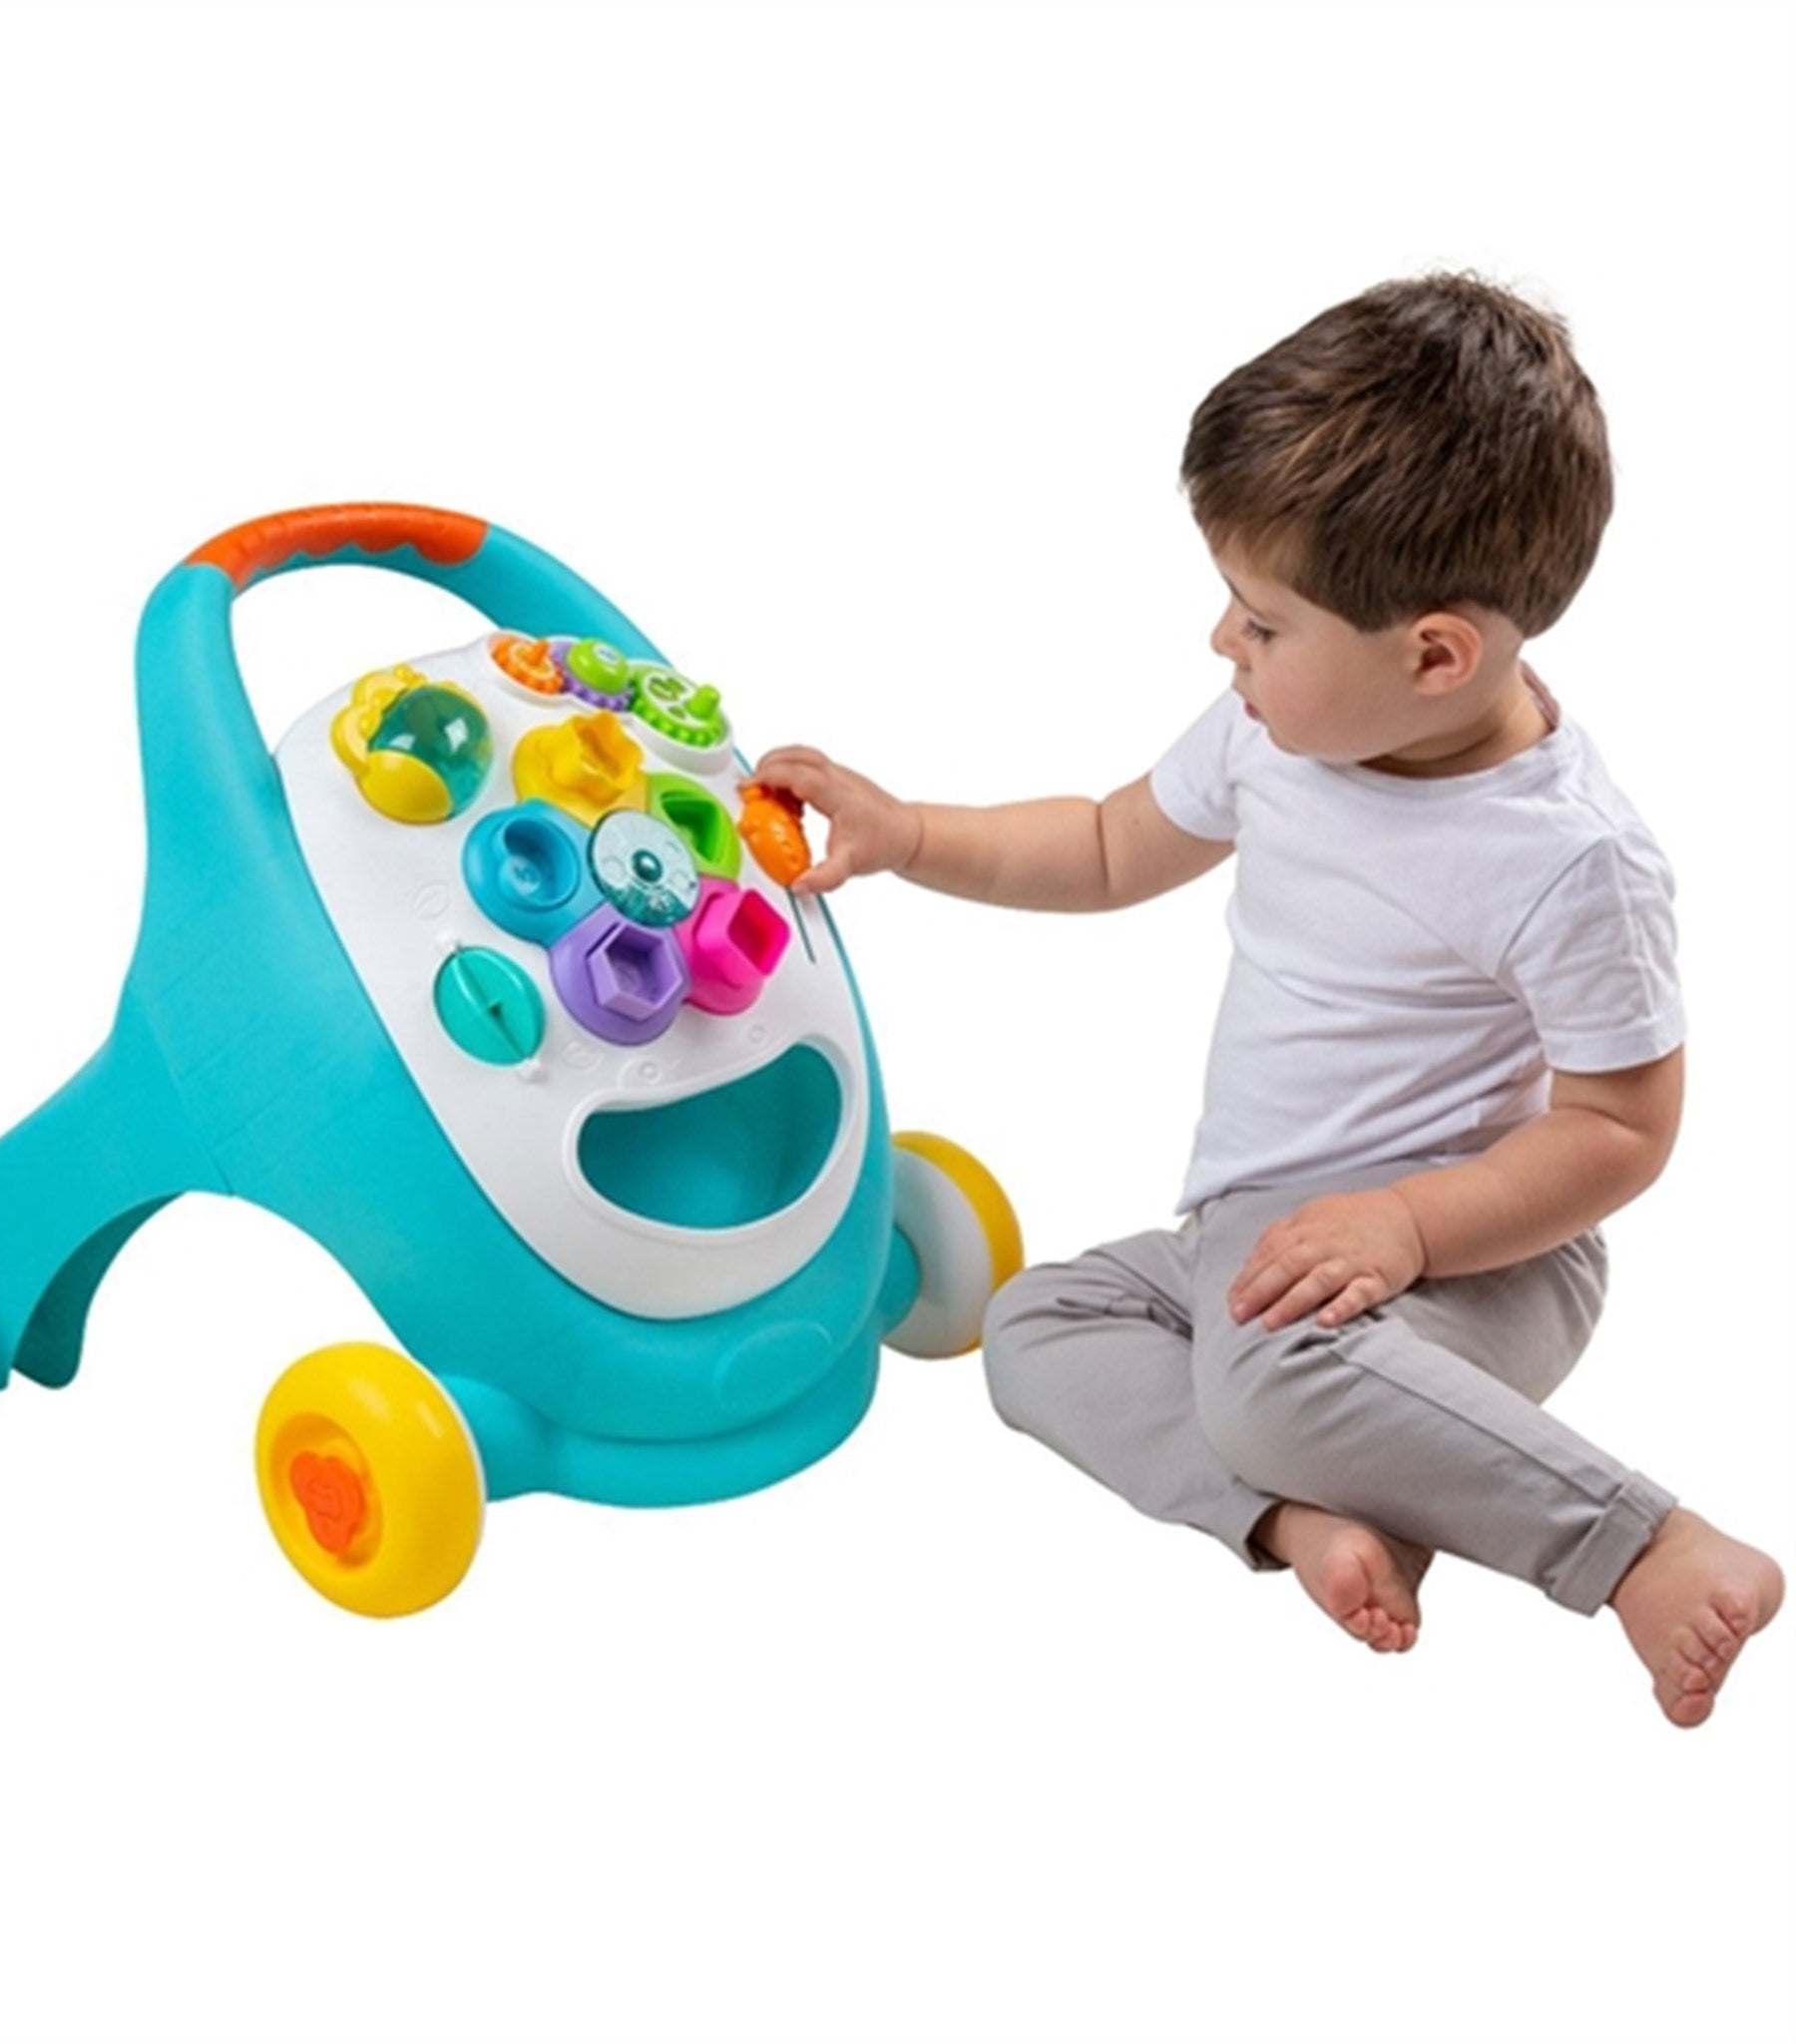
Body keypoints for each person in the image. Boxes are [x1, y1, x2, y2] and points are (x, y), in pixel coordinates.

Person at [752, 273, 1782, 1728]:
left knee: (1274, 1390)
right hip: (1252, 1239)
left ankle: (1642, 1548)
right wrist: (909, 832)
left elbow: (1621, 1128)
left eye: (1263, 622)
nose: (1222, 646)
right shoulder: (1283, 732)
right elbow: (1107, 845)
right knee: (1039, 1327)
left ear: (1435, 656)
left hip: (1479, 1255)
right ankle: (1305, 1520)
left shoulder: (1569, 859)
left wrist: (1405, 1224)